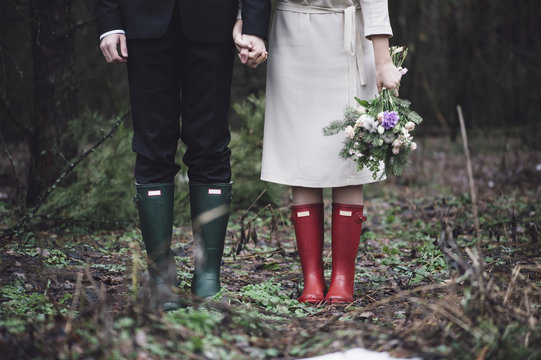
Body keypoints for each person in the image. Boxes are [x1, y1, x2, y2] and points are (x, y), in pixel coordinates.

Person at [95, 0, 271, 310]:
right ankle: (161, 278)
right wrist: (110, 20)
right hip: (142, 22)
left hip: (214, 21)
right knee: (151, 146)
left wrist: (254, 24)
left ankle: (207, 276)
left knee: (211, 144)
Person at [257, 0, 402, 304]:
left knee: (348, 157)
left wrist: (383, 59)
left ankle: (342, 278)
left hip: (348, 37)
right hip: (292, 33)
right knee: (302, 157)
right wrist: (246, 25)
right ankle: (311, 277)